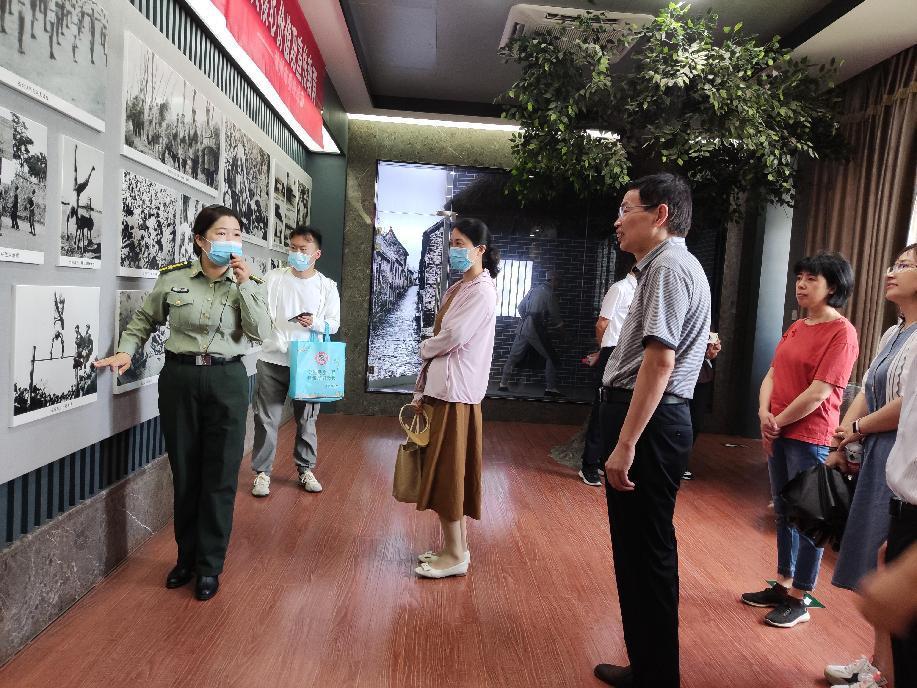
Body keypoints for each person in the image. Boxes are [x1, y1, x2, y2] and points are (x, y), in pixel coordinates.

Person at [94, 205, 272, 602]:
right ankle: (186, 559)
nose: (231, 241)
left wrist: (245, 285)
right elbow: (144, 320)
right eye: (222, 233)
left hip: (227, 380)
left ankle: (210, 565)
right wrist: (126, 350)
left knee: (220, 476)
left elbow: (261, 332)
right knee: (186, 473)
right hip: (180, 379)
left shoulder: (250, 282)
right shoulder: (174, 278)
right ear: (200, 240)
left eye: (236, 234)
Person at [593, 173, 711, 688]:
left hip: (650, 424)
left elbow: (660, 362)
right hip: (653, 420)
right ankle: (647, 667)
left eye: (627, 209)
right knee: (639, 551)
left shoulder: (667, 267)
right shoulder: (669, 266)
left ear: (660, 215)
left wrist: (626, 443)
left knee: (647, 551)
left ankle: (657, 675)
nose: (617, 221)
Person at [742, 252, 858, 629]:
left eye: (812, 279)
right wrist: (763, 413)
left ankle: (801, 597)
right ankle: (783, 583)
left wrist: (776, 421)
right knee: (783, 510)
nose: (802, 285)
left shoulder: (842, 332)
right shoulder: (798, 325)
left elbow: (820, 392)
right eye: (800, 278)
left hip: (809, 436)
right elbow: (773, 373)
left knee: (809, 516)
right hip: (779, 430)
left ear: (833, 287)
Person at [824, 245, 917, 687]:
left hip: (898, 452)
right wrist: (845, 431)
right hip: (882, 452)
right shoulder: (893, 332)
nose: (891, 272)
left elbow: (904, 406)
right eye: (893, 264)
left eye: (905, 266)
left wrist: (857, 428)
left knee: (890, 570)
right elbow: (868, 387)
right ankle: (880, 663)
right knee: (880, 562)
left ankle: (885, 673)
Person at [410, 217, 498, 580]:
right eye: (452, 243)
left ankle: (456, 554)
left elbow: (454, 335)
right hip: (447, 390)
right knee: (450, 472)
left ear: (481, 250)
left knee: (448, 474)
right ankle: (454, 548)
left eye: (461, 244)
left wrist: (424, 347)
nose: (454, 250)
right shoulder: (461, 288)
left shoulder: (481, 291)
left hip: (455, 393)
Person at [250, 226, 340, 497]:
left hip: (309, 362)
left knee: (307, 419)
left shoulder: (326, 286)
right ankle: (262, 473)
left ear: (317, 254)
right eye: (293, 248)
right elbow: (261, 313)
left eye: (303, 249)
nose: (297, 254)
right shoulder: (274, 278)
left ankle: (305, 469)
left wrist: (315, 323)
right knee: (266, 418)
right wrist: (273, 337)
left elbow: (334, 324)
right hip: (273, 359)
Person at [579, 266, 637, 486]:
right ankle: (588, 465)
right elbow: (602, 323)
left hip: (630, 353)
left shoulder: (643, 290)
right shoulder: (619, 288)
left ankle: (604, 460)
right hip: (612, 351)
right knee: (601, 406)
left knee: (619, 408)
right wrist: (603, 351)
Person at [498, 271, 563, 397]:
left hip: (522, 328)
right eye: (558, 281)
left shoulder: (533, 290)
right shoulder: (549, 293)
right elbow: (555, 315)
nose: (559, 284)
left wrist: (526, 318)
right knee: (551, 357)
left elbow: (520, 307)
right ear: (553, 280)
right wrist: (562, 331)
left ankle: (503, 384)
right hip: (535, 329)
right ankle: (550, 388)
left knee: (513, 357)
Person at [683, 333, 722, 480]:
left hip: (700, 377)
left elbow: (709, 354)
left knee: (695, 421)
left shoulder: (707, 323)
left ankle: (681, 463)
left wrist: (711, 352)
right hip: (676, 374)